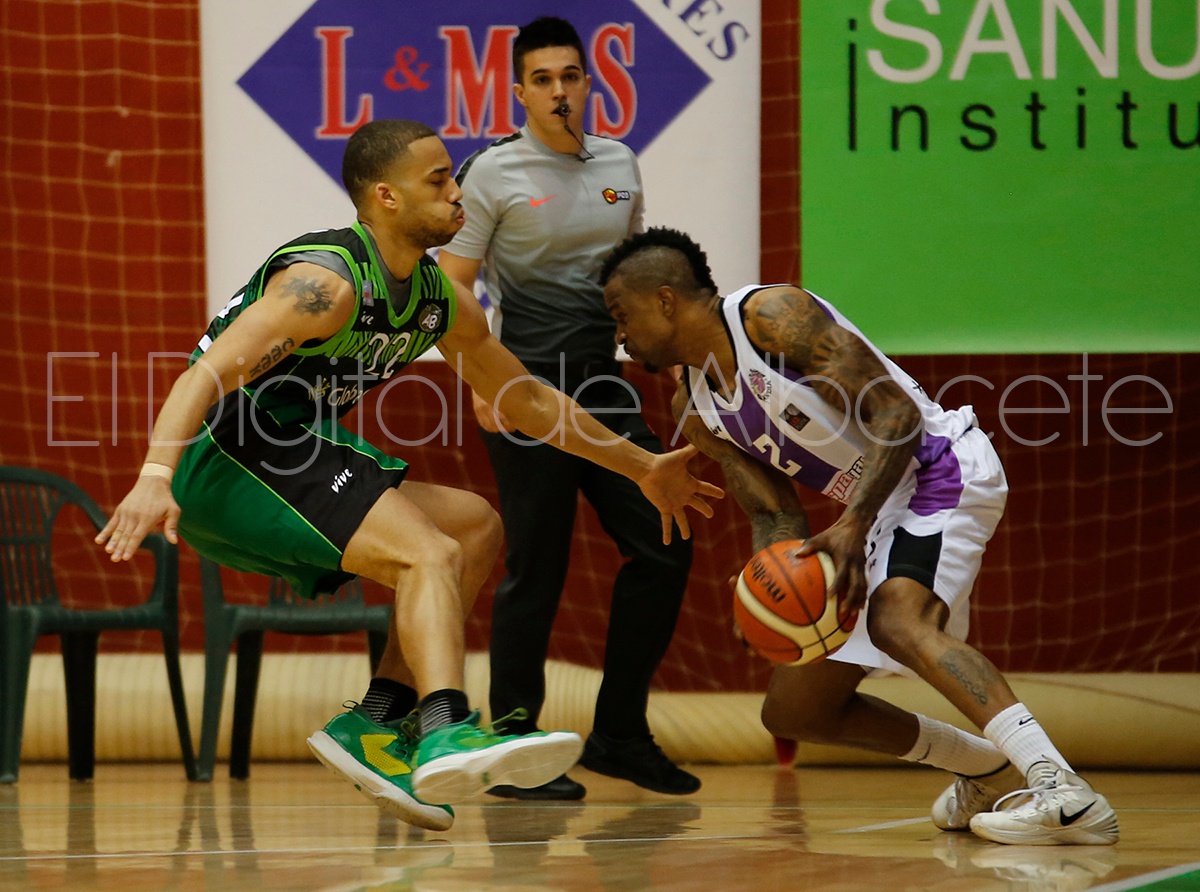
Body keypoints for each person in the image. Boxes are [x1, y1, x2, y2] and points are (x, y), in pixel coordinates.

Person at [94, 121, 721, 833]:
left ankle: (376, 722)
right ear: (386, 197)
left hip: (290, 449)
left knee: (473, 526)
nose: (458, 193)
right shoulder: (326, 283)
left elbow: (529, 401)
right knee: (429, 552)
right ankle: (447, 726)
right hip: (226, 454)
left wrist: (643, 467)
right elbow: (205, 374)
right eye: (439, 180)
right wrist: (154, 474)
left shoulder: (437, 299)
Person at [597, 226, 1119, 847]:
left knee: (898, 621)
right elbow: (774, 514)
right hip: (876, 508)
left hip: (937, 468)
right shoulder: (696, 406)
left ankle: (1065, 792)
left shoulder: (770, 316)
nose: (619, 336)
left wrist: (853, 523)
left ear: (664, 300)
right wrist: (766, 586)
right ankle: (987, 771)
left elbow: (897, 413)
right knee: (796, 710)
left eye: (620, 315)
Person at [437, 17, 698, 800]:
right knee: (537, 568)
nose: (559, 91)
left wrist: (677, 361)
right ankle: (515, 747)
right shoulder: (492, 173)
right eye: (543, 79)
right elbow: (451, 288)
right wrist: (481, 382)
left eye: (571, 76)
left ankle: (619, 735)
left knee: (665, 543)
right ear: (519, 92)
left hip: (605, 385)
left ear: (589, 84)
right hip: (523, 387)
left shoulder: (620, 163)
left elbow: (637, 282)